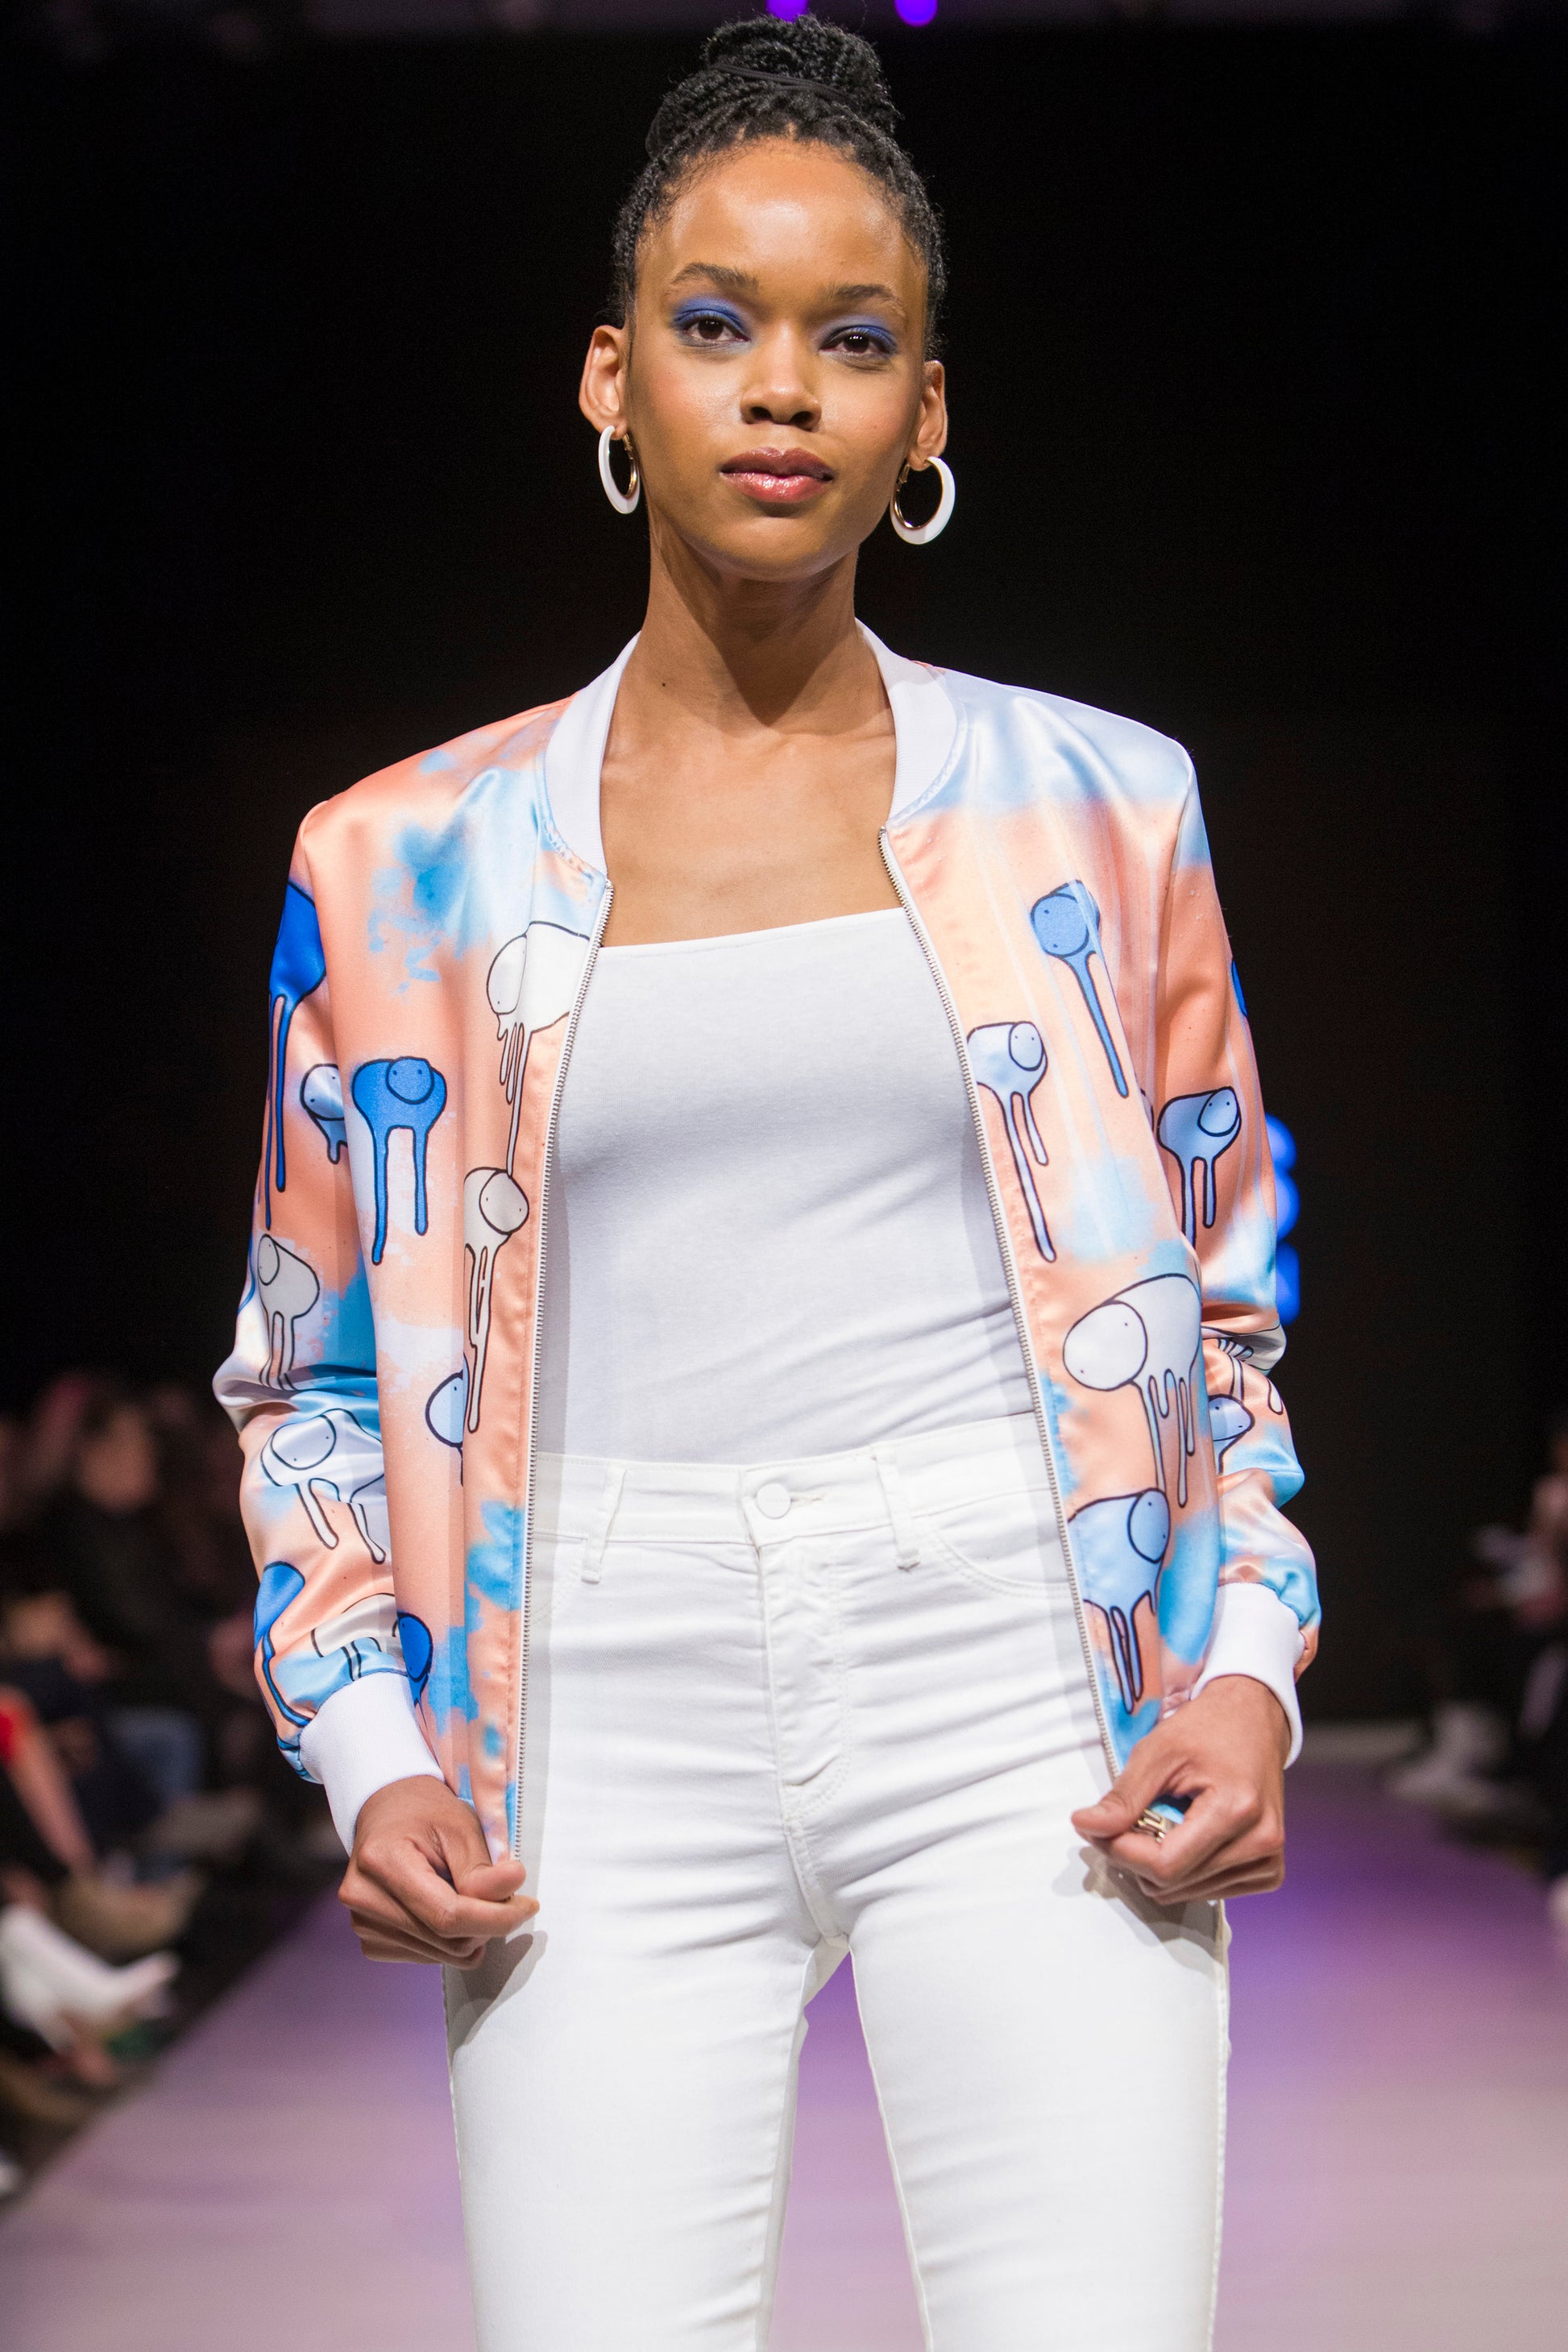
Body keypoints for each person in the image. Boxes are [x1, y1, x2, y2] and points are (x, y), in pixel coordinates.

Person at [217, 18, 1319, 2346]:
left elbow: (1220, 1310)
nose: (783, 389)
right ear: (610, 379)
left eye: (856, 338)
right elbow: (303, 1373)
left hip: (1020, 1668)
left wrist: (1245, 1673)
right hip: (578, 1701)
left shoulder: (1102, 805)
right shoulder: (394, 864)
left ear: (929, 415)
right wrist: (370, 1747)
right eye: (715, 325)